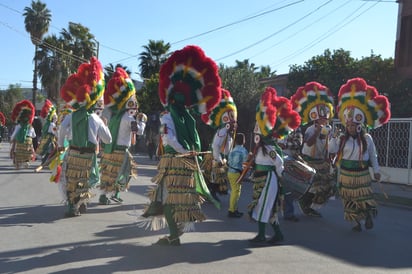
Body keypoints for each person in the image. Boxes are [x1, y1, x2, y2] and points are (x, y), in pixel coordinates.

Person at [140, 45, 222, 246]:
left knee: (168, 200)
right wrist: (192, 153)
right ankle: (177, 231)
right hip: (187, 164)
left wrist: (185, 152)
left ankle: (174, 234)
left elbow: (168, 140)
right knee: (182, 199)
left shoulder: (167, 118)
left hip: (175, 163)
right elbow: (190, 140)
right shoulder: (190, 119)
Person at [329, 77, 390, 232]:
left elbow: (373, 155)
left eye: (353, 125)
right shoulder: (342, 139)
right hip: (345, 175)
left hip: (362, 174)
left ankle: (368, 215)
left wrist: (376, 171)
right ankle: (356, 223)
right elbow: (331, 150)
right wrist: (334, 138)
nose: (350, 128)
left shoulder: (367, 139)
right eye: (348, 125)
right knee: (348, 200)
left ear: (359, 126)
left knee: (363, 198)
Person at [58, 57, 112, 217]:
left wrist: (61, 144)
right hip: (89, 154)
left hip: (73, 152)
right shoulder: (96, 119)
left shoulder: (71, 116)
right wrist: (105, 124)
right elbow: (107, 139)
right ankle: (79, 203)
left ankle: (73, 206)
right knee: (85, 180)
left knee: (71, 180)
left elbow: (61, 129)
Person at [248, 87, 301, 245]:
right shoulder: (261, 146)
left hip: (269, 179)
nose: (256, 130)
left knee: (264, 206)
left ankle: (262, 235)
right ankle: (278, 234)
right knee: (266, 208)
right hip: (262, 178)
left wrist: (280, 178)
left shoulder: (269, 147)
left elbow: (279, 162)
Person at [98, 67, 145, 205]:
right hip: (121, 151)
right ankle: (114, 193)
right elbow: (139, 131)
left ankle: (105, 195)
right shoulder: (129, 119)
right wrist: (142, 120)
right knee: (124, 173)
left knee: (109, 174)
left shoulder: (115, 116)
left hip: (110, 150)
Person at [291, 81, 336, 217]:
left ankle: (309, 205)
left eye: (325, 117)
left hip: (322, 161)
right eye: (321, 117)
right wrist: (317, 131)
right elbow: (309, 143)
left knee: (327, 187)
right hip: (308, 160)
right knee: (311, 186)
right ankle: (305, 204)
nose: (324, 119)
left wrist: (331, 157)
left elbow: (329, 146)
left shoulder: (329, 129)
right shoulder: (311, 129)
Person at [201, 88, 237, 202]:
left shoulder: (227, 132)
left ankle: (212, 193)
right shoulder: (222, 131)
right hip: (216, 158)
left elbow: (228, 146)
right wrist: (219, 159)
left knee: (216, 179)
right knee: (214, 178)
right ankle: (211, 194)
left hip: (221, 158)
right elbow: (216, 145)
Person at [277, 128, 303, 222]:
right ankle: (269, 212)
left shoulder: (296, 127)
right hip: (275, 158)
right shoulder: (277, 123)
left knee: (288, 188)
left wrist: (285, 145)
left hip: (289, 160)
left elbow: (299, 143)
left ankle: (288, 213)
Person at [227, 132, 248, 218]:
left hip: (230, 172)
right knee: (235, 192)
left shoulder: (233, 150)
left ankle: (234, 209)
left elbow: (228, 162)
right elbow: (245, 163)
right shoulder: (243, 151)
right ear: (243, 141)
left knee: (235, 191)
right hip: (237, 173)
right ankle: (232, 210)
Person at [10, 100, 36, 169]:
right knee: (27, 153)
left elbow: (14, 134)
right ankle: (26, 162)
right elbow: (34, 135)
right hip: (28, 141)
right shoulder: (30, 127)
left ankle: (18, 164)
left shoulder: (19, 125)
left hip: (20, 141)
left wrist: (11, 139)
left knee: (18, 152)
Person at [36, 99, 58, 168]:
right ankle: (45, 163)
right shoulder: (52, 125)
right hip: (49, 141)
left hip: (46, 139)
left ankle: (46, 163)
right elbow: (54, 132)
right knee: (50, 152)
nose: (56, 118)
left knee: (49, 152)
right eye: (55, 117)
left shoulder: (47, 123)